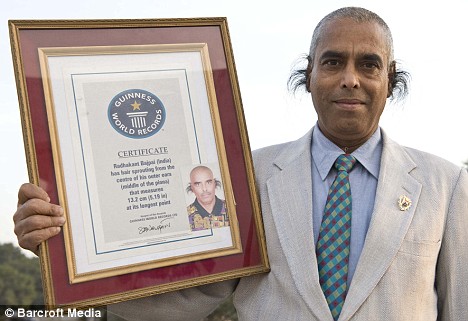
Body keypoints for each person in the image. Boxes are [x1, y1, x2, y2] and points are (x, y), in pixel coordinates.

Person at [13, 7, 468, 321]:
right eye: (333, 62)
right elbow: (187, 300)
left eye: (369, 65)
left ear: (390, 81)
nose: (350, 78)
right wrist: (64, 251)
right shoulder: (244, 176)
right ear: (308, 76)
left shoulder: (447, 185)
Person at [185, 165, 228, 230]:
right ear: (192, 188)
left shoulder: (230, 208)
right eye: (198, 184)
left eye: (208, 182)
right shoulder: (185, 216)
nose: (204, 189)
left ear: (214, 183)